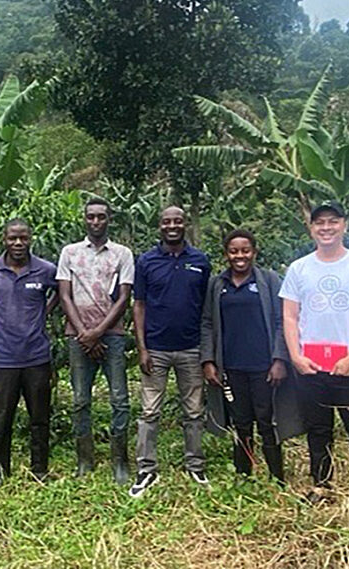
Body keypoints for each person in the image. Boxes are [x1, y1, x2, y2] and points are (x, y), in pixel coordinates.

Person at [279, 201, 349, 493]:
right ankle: (322, 486)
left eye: (332, 221)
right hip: (310, 366)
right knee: (317, 429)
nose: (326, 228)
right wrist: (295, 357)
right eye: (319, 223)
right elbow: (289, 315)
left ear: (344, 225)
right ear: (311, 228)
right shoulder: (299, 269)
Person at [201, 228, 303, 484]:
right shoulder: (217, 284)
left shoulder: (268, 280)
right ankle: (243, 475)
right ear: (226, 254)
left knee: (267, 422)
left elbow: (283, 321)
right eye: (234, 251)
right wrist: (208, 361)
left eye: (245, 250)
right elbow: (207, 323)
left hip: (264, 367)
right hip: (232, 367)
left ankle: (277, 477)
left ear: (254, 252)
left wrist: (280, 359)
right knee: (241, 423)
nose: (240, 256)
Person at [0, 219, 57, 482]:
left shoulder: (45, 269)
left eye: (23, 238)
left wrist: (45, 312)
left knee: (39, 418)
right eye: (12, 238)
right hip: (3, 358)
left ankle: (40, 470)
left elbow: (62, 290)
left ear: (30, 239)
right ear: (3, 240)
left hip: (36, 356)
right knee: (2, 419)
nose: (18, 243)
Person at [129, 205, 211, 498]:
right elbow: (139, 304)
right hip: (156, 349)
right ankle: (146, 470)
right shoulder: (147, 261)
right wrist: (142, 347)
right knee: (150, 412)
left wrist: (206, 350)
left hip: (190, 348)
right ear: (159, 225)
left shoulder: (200, 261)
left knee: (194, 411)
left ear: (185, 224)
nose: (172, 226)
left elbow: (205, 307)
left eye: (177, 221)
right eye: (167, 222)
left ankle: (195, 466)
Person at [56, 196, 135, 484]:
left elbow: (124, 297)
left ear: (109, 219)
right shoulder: (69, 252)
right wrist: (84, 334)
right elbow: (64, 295)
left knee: (120, 399)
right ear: (84, 219)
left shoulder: (122, 254)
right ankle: (85, 461)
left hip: (112, 336)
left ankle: (120, 462)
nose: (96, 221)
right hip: (77, 337)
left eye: (101, 216)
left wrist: (97, 332)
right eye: (91, 216)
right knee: (80, 400)